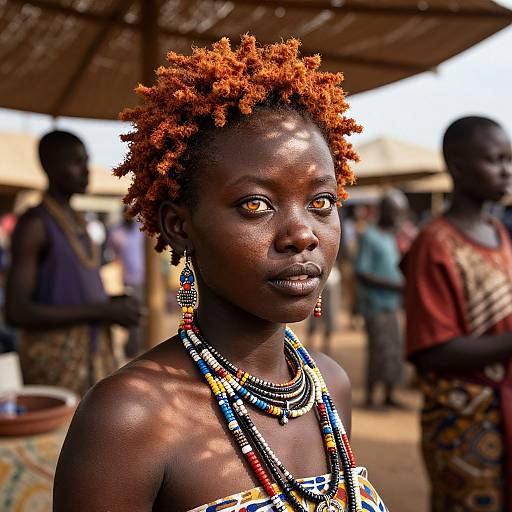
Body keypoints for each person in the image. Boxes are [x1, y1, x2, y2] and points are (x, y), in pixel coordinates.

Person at [53, 37, 388, 512]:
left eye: (321, 203)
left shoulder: (329, 389)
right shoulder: (130, 419)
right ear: (179, 225)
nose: (302, 235)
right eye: (256, 204)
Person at [401, 116, 512, 512]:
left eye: (509, 159)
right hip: (464, 418)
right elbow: (432, 350)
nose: (506, 170)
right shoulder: (435, 242)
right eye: (494, 160)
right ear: (458, 167)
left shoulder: (499, 233)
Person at [5, 130, 141, 396]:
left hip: (92, 356)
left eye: (86, 161)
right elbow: (16, 311)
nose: (85, 170)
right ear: (51, 167)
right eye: (76, 162)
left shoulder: (77, 221)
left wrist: (112, 303)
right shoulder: (35, 224)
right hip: (56, 365)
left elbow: (72, 293)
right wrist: (101, 311)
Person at [355, 190, 407, 408]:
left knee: (394, 350)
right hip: (375, 305)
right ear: (384, 212)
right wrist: (394, 285)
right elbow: (362, 272)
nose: (398, 217)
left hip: (392, 304)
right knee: (378, 350)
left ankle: (389, 395)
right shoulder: (370, 236)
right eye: (394, 212)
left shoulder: (391, 236)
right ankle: (370, 397)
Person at [107, 208, 145, 357]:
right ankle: (132, 348)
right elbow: (113, 256)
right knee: (132, 313)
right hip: (126, 280)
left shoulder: (142, 231)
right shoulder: (116, 233)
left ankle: (138, 345)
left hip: (143, 280)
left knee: (143, 313)